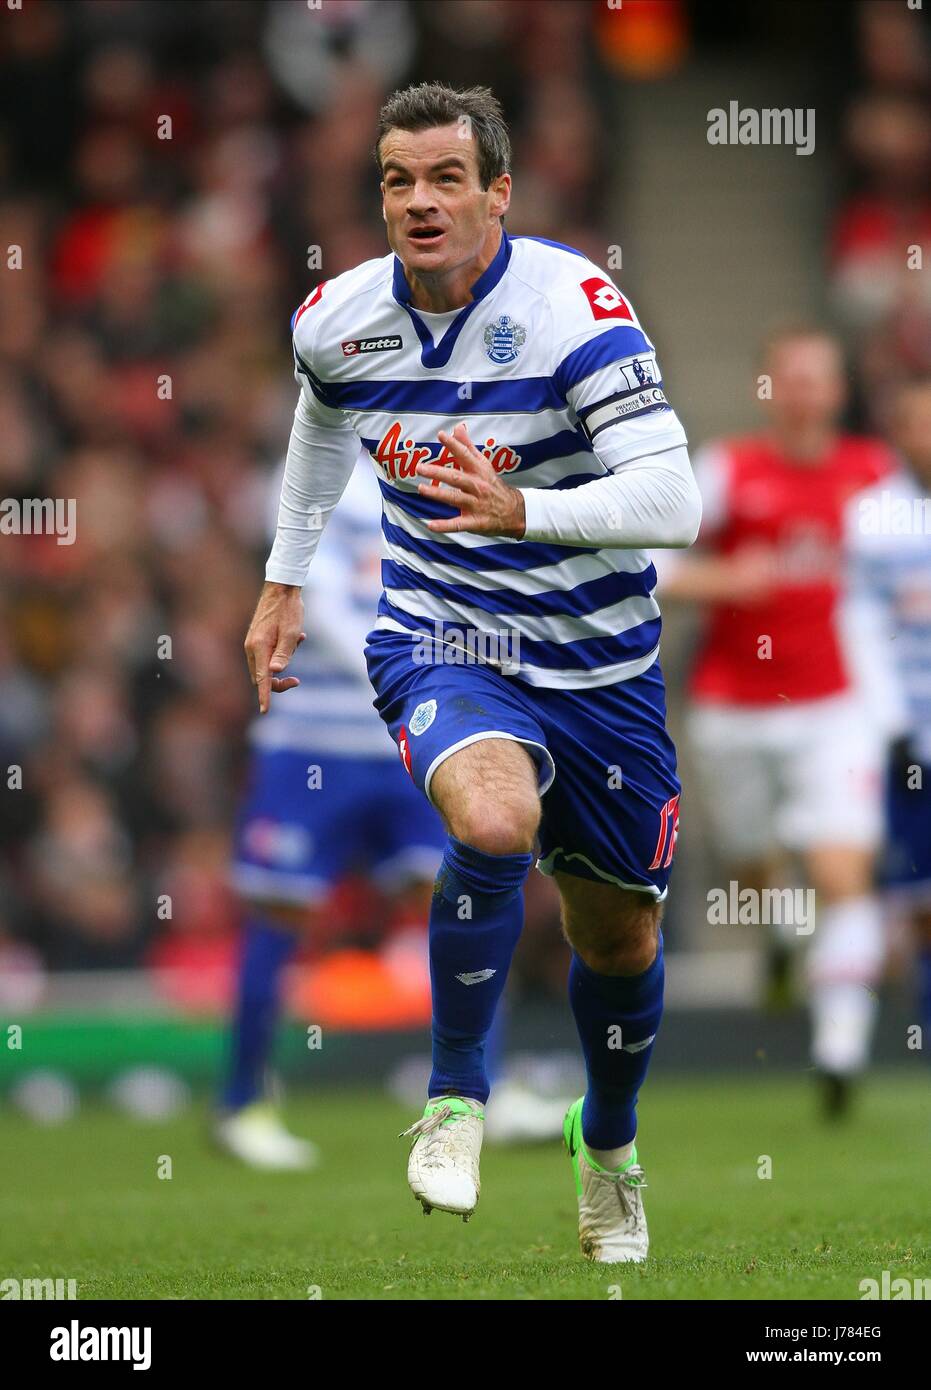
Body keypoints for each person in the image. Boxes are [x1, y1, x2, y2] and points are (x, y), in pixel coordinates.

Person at [244, 83, 701, 1263]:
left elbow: (674, 502)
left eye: (447, 179)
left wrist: (523, 510)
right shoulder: (338, 319)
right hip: (445, 635)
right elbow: (319, 423)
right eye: (399, 180)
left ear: (499, 192)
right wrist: (285, 576)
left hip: (600, 663)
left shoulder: (574, 309)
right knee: (493, 820)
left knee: (620, 944)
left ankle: (607, 1146)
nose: (420, 202)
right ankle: (455, 1102)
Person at [655, 326, 893, 1116]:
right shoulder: (727, 470)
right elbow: (647, 563)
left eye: (815, 380)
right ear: (766, 389)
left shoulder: (874, 476)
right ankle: (782, 938)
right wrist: (725, 578)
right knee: (756, 872)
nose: (801, 394)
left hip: (834, 705)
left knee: (840, 874)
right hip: (734, 707)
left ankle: (837, 1051)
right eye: (786, 379)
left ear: (836, 391)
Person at [218, 459, 447, 1169]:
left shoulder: (427, 471)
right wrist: (406, 669)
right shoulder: (293, 479)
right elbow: (318, 605)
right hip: (311, 738)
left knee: (458, 904)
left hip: (407, 736)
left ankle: (476, 1093)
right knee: (280, 912)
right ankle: (241, 1103)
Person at [842, 378, 931, 1067]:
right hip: (912, 738)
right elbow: (858, 622)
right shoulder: (873, 517)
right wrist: (884, 717)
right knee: (917, 903)